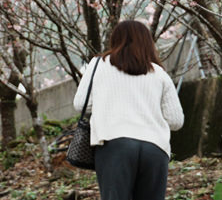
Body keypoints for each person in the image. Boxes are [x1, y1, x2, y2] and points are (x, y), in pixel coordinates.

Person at [73, 19, 184, 200]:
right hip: (155, 148)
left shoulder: (98, 64)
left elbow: (80, 104)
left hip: (114, 144)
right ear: (148, 43)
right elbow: (176, 121)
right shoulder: (159, 73)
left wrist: (109, 104)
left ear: (115, 40)